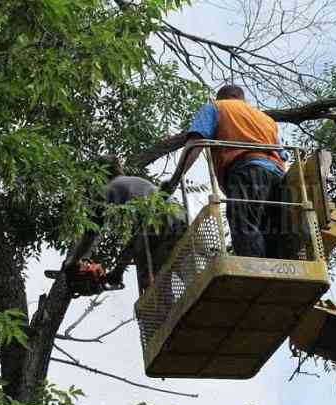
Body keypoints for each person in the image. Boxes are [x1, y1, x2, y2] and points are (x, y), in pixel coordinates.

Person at [183, 85, 286, 258]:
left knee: (244, 224)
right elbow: (283, 155)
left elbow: (196, 143)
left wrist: (178, 177)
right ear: (242, 99)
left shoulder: (216, 107)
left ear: (221, 97)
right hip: (278, 176)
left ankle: (256, 276)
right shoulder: (267, 120)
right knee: (273, 232)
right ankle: (281, 273)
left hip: (247, 171)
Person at [63, 160, 185, 295]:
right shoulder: (136, 184)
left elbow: (89, 235)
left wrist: (72, 261)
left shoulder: (106, 189)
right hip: (180, 218)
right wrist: (118, 270)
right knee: (189, 271)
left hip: (157, 225)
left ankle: (165, 313)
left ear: (101, 174)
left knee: (154, 286)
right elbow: (137, 238)